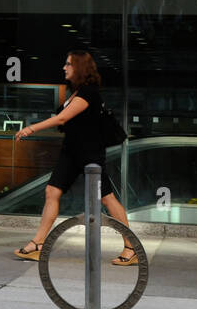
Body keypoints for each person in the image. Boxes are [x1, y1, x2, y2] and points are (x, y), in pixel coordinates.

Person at [13, 50, 138, 265]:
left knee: (107, 198)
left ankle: (131, 247)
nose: (64, 67)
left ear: (79, 67)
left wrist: (31, 129)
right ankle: (38, 243)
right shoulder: (75, 91)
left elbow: (62, 117)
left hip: (90, 154)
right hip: (70, 152)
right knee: (51, 191)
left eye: (69, 64)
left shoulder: (89, 93)